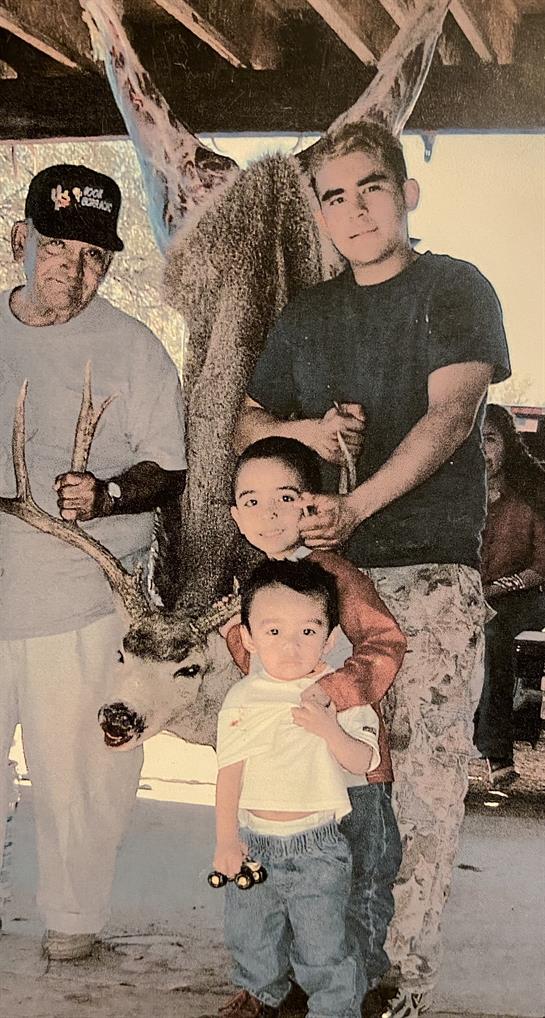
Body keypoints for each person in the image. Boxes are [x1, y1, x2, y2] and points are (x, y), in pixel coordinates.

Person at [234, 121, 511, 1016]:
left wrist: (353, 506)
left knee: (418, 788)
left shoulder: (454, 287)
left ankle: (398, 983)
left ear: (405, 193)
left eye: (370, 188)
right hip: (316, 588)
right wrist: (305, 435)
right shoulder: (306, 314)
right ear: (318, 215)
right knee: (306, 780)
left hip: (425, 574)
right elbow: (246, 424)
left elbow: (451, 415)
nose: (353, 210)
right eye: (334, 197)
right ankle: (315, 974)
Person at [0, 164, 186, 960]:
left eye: (94, 258)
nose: (74, 271)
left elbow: (170, 467)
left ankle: (73, 918)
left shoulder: (132, 349)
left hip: (79, 598)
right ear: (20, 239)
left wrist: (107, 493)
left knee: (79, 774)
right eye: (56, 248)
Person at [225, 435, 406, 1009]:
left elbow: (384, 642)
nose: (268, 514)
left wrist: (330, 691)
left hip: (350, 770)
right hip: (286, 775)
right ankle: (272, 991)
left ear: (312, 504)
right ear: (235, 514)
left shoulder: (334, 573)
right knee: (275, 890)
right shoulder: (250, 582)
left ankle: (359, 992)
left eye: (285, 498)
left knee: (357, 884)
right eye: (251, 501)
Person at [215, 558, 382, 1018]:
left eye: (308, 631)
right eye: (273, 631)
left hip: (318, 848)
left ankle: (335, 1009)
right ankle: (260, 998)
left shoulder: (337, 695)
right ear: (248, 637)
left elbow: (364, 761)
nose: (290, 646)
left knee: (323, 943)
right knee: (250, 935)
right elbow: (230, 773)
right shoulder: (242, 698)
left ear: (329, 639)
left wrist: (329, 728)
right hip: (254, 843)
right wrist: (226, 841)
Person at [474, 403, 545, 785]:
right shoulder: (461, 498)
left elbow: (541, 566)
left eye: (490, 439)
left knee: (493, 632)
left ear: (507, 445)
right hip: (471, 594)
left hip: (525, 595)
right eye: (475, 441)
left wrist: (497, 588)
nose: (482, 450)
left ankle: (496, 753)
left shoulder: (530, 493)